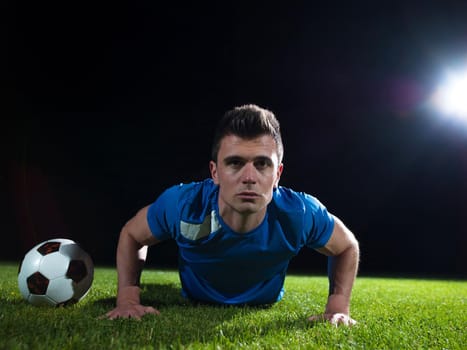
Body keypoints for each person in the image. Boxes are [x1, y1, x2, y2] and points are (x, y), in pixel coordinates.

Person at [103, 104, 360, 326]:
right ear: (214, 172)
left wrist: (337, 307)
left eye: (262, 164)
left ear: (277, 174)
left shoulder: (299, 213)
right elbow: (132, 234)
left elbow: (347, 247)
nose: (249, 177)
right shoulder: (184, 205)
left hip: (264, 300)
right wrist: (128, 298)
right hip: (195, 296)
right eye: (235, 163)